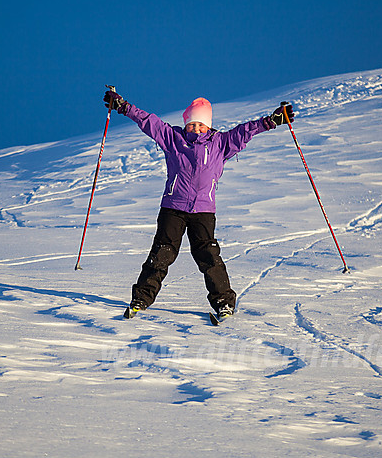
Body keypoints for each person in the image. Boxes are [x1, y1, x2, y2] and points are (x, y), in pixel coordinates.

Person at [103, 89, 295, 321]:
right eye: (192, 124)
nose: (196, 129)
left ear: (208, 126)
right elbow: (148, 121)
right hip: (173, 207)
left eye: (201, 125)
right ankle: (141, 299)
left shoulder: (220, 143)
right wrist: (123, 106)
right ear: (185, 124)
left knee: (209, 256)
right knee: (162, 253)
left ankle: (223, 302)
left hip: (203, 211)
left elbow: (246, 131)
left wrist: (271, 121)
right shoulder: (173, 138)